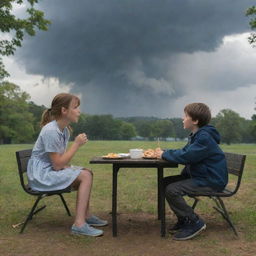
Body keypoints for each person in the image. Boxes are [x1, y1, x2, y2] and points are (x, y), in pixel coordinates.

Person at [27, 93, 107, 237]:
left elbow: (60, 161)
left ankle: (86, 216)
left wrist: (71, 168)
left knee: (87, 172)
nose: (79, 111)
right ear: (64, 111)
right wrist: (76, 145)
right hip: (41, 176)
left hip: (48, 169)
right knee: (85, 176)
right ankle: (79, 225)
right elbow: (57, 165)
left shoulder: (64, 130)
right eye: (75, 107)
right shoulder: (51, 131)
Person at [155, 103, 228, 241]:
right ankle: (184, 219)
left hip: (211, 180)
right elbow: (185, 151)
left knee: (172, 189)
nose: (183, 119)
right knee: (165, 183)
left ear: (195, 121)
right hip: (203, 176)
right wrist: (165, 152)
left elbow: (187, 156)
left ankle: (194, 222)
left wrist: (164, 154)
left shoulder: (204, 137)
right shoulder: (198, 135)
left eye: (186, 116)